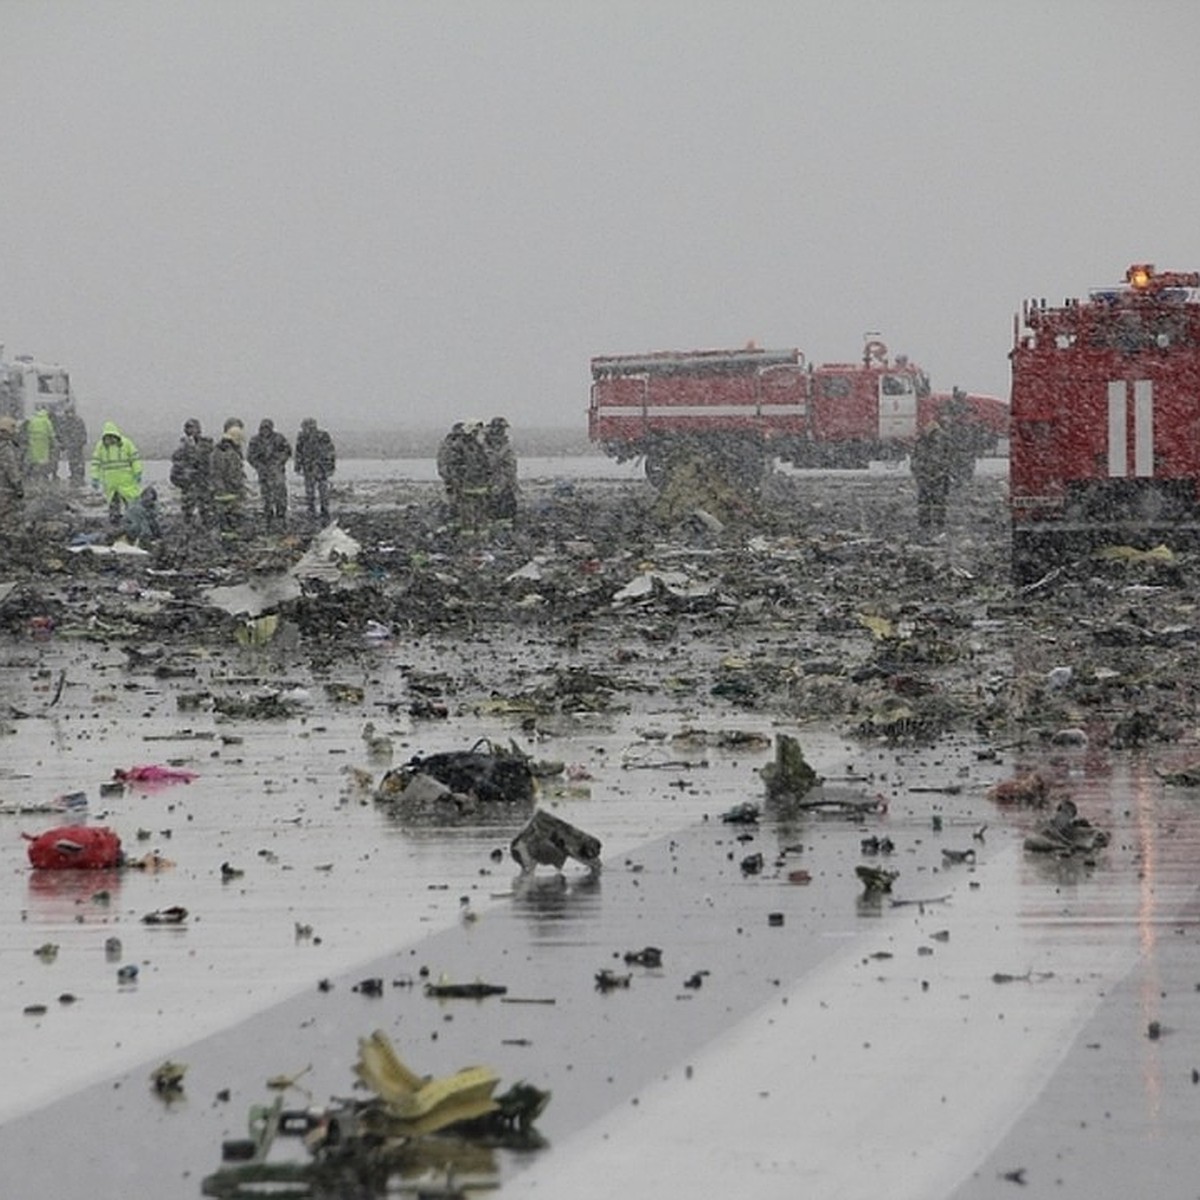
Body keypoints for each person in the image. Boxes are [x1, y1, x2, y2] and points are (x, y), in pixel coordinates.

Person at [89, 421, 143, 525]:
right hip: (110, 482)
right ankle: (115, 521)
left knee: (130, 501)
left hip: (126, 480)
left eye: (111, 437)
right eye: (108, 437)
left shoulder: (126, 444)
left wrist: (138, 472)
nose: (110, 440)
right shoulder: (100, 447)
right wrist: (95, 477)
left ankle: (131, 520)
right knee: (113, 503)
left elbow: (135, 459)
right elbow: (95, 463)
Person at [246, 418, 292, 531]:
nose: (265, 431)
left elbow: (287, 451)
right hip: (264, 473)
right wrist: (260, 466)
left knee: (280, 495)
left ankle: (281, 517)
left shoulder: (279, 438)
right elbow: (250, 456)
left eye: (267, 428)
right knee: (266, 496)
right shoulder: (255, 440)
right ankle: (268, 518)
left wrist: (279, 462)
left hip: (277, 472)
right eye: (263, 428)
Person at [910, 417, 954, 534]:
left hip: (930, 476)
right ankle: (936, 523)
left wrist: (920, 474)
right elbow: (948, 459)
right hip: (935, 476)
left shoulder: (922, 441)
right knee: (936, 501)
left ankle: (927, 523)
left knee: (927, 501)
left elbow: (915, 459)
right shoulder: (943, 440)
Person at [169, 419, 214, 528]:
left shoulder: (206, 444)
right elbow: (176, 460)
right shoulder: (183, 445)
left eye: (192, 428)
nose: (189, 431)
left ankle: (206, 529)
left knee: (206, 510)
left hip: (203, 483)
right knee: (187, 511)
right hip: (189, 484)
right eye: (187, 428)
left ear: (198, 429)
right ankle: (188, 531)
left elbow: (208, 461)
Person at [294, 418, 336, 522]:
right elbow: (298, 452)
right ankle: (311, 510)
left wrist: (330, 465)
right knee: (310, 491)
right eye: (305, 427)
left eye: (309, 426)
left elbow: (330, 451)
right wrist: (298, 465)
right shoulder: (302, 437)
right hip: (309, 468)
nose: (307, 429)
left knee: (323, 491)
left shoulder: (323, 436)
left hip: (321, 467)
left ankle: (324, 510)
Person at [211, 424, 247, 538]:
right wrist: (241, 489)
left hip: (218, 490)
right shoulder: (231, 454)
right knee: (232, 517)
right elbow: (233, 475)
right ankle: (231, 540)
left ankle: (222, 538)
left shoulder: (215, 452)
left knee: (222, 517)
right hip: (230, 491)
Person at [483, 416, 518, 520]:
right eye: (501, 428)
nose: (503, 431)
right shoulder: (483, 444)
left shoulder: (506, 445)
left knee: (508, 511)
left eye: (504, 429)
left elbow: (511, 466)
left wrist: (512, 484)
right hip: (488, 485)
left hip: (505, 485)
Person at [55, 399, 88, 487]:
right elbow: (62, 433)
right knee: (73, 461)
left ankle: (78, 476)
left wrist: (81, 441)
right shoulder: (67, 421)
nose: (69, 414)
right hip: (72, 445)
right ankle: (75, 475)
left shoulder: (75, 421)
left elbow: (82, 433)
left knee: (78, 461)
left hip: (76, 445)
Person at [0, 415, 25, 531]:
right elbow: (11, 469)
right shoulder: (5, 448)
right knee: (7, 520)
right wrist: (18, 486)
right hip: (5, 490)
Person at [22, 404, 57, 482]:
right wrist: (53, 441)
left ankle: (33, 474)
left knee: (33, 458)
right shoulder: (46, 420)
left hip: (33, 442)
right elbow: (51, 432)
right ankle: (42, 475)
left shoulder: (33, 419)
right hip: (43, 442)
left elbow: (28, 430)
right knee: (43, 459)